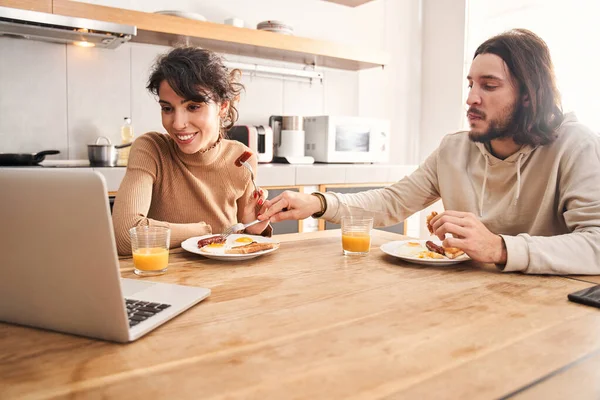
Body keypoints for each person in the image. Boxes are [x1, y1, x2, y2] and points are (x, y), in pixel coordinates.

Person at [258, 29, 600, 275]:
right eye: (471, 84)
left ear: (528, 95)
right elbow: (392, 201)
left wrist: (500, 247)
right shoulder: (455, 149)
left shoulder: (574, 145)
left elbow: (596, 245)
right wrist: (320, 203)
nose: (471, 99)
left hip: (549, 314)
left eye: (489, 86)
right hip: (470, 300)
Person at [112, 46, 270, 255]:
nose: (177, 124)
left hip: (225, 280)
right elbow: (125, 237)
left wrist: (252, 228)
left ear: (223, 107)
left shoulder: (242, 158)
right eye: (167, 108)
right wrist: (205, 232)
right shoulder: (151, 149)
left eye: (193, 107)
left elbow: (240, 245)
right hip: (164, 280)